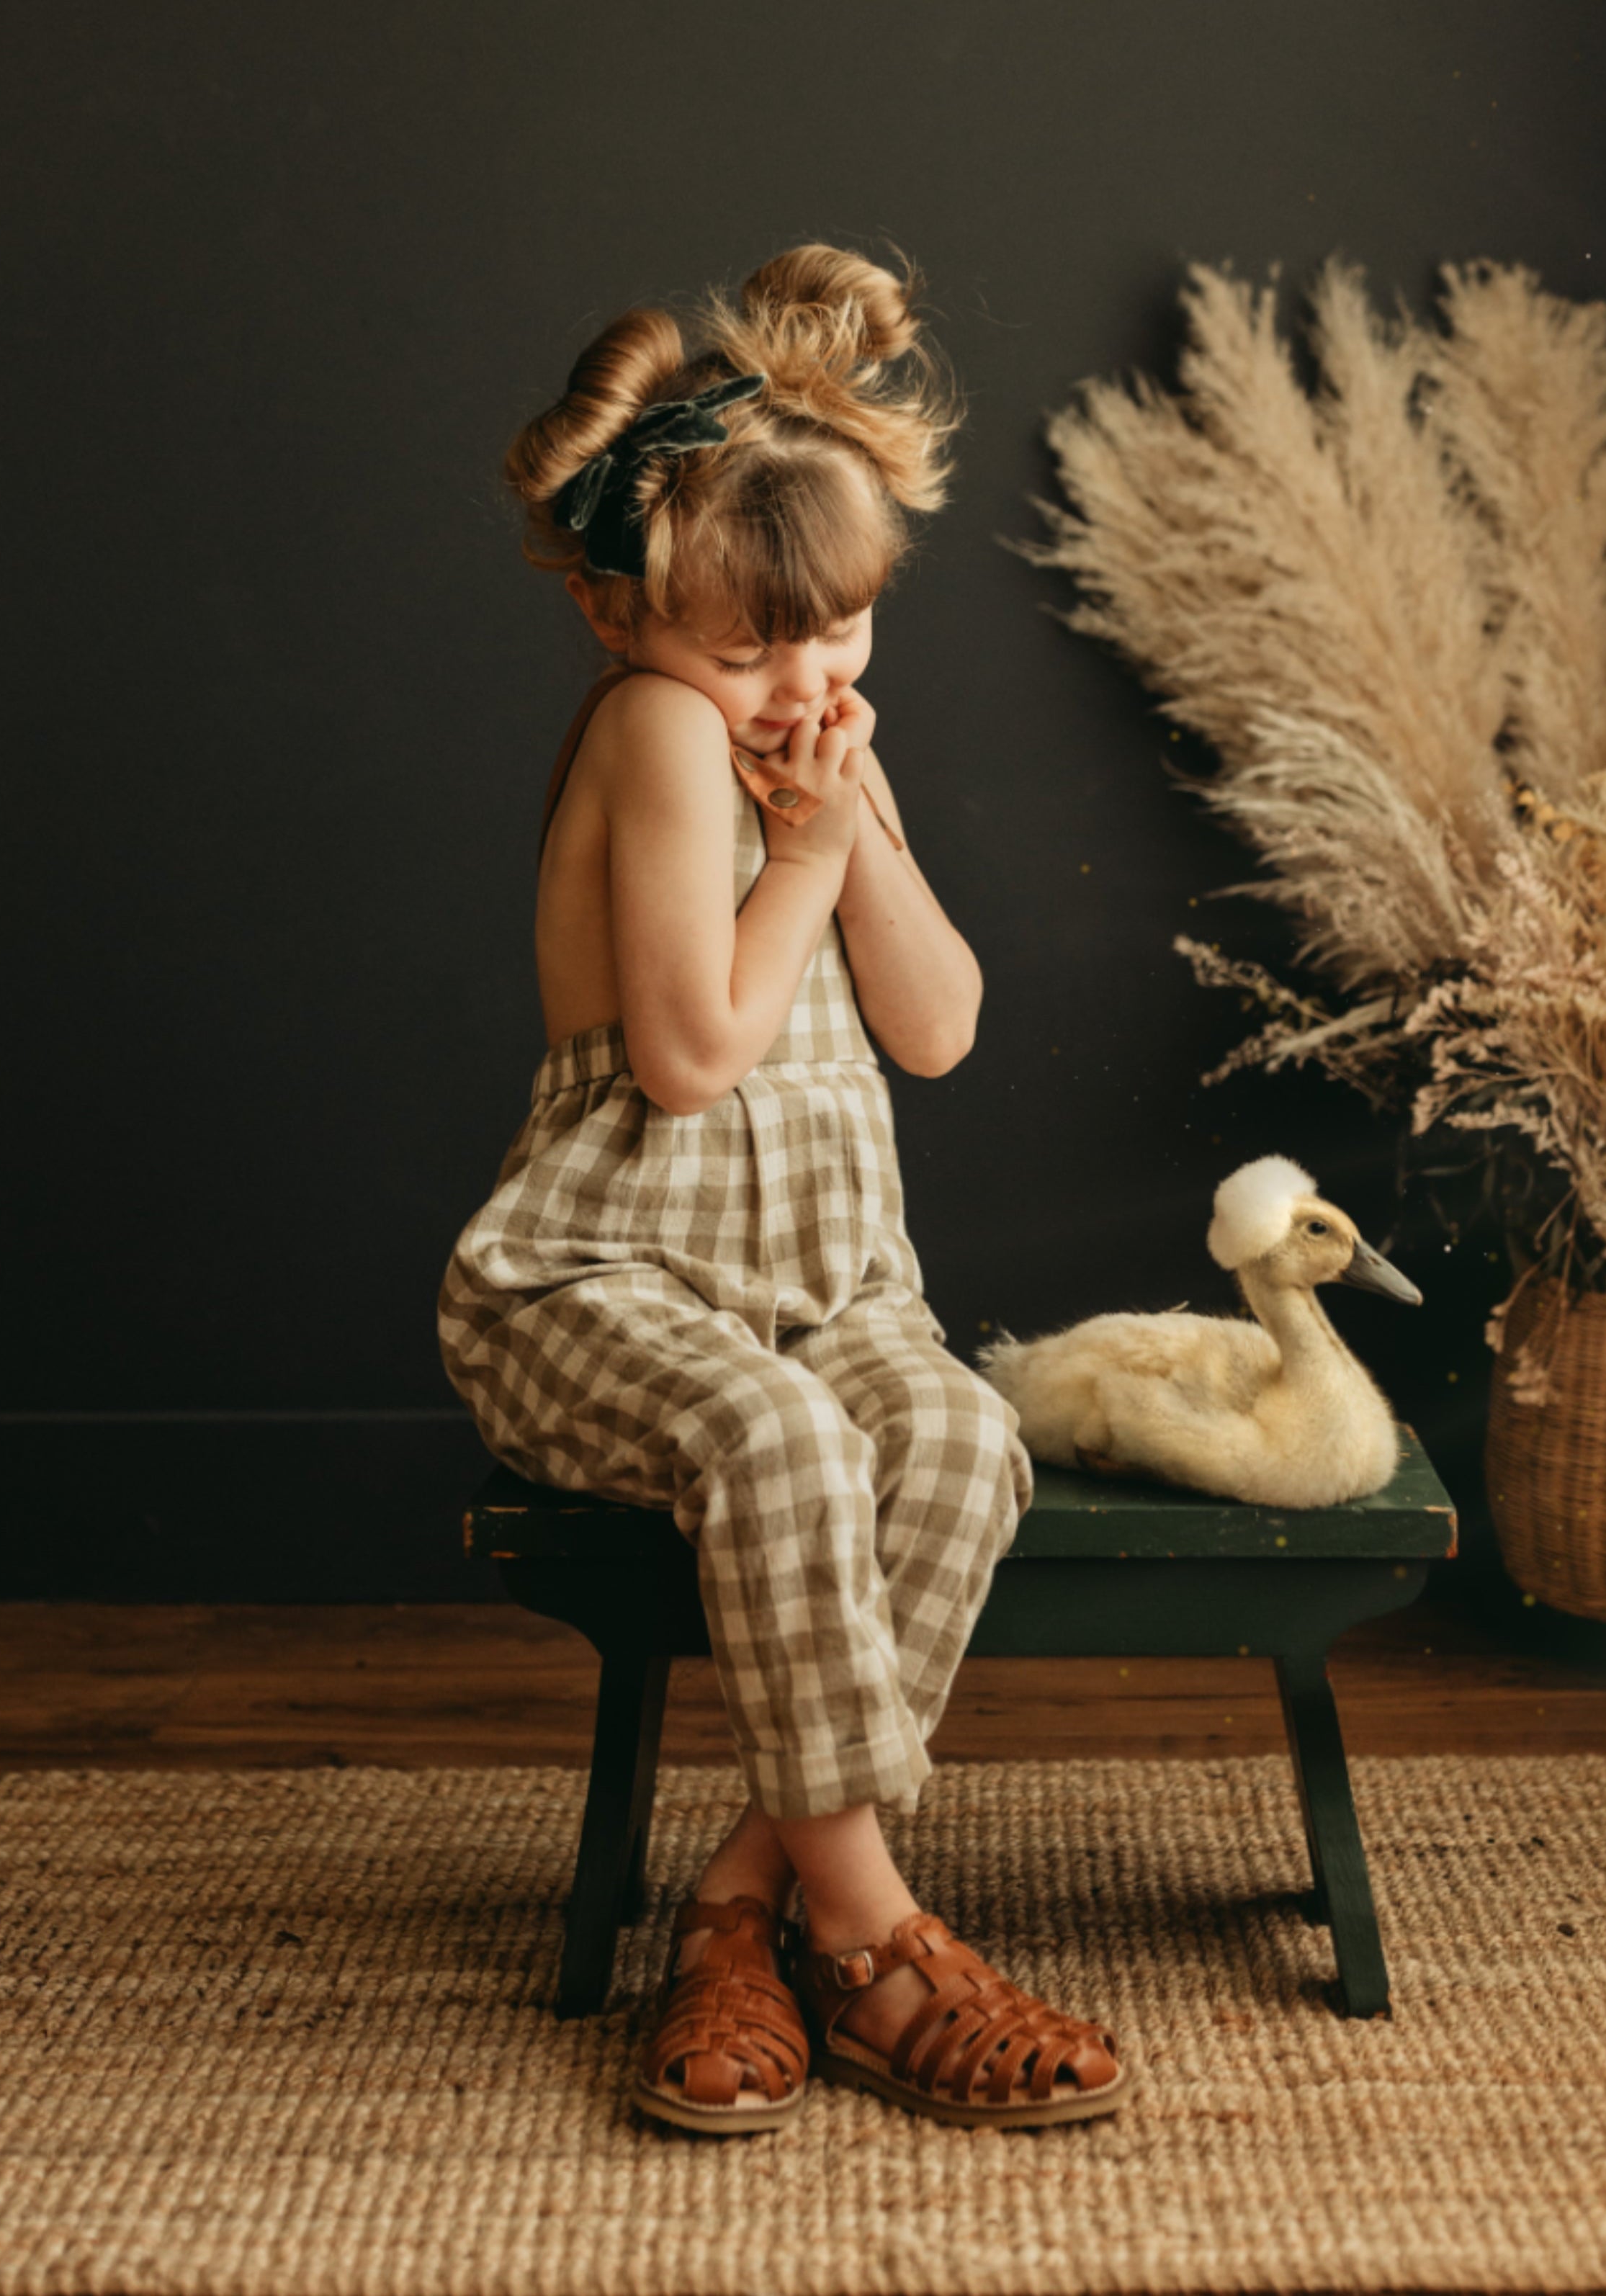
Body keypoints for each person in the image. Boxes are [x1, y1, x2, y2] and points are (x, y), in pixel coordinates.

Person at [438, 245, 1128, 2135]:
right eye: (744, 650)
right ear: (615, 616)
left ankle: (744, 1909)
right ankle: (888, 1937)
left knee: (963, 1440)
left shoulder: (829, 755)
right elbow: (688, 1055)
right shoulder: (656, 735)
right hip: (598, 1288)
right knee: (781, 1444)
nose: (795, 684)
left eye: (832, 639)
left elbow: (938, 1026)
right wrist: (804, 839)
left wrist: (850, 828)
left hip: (833, 1292)